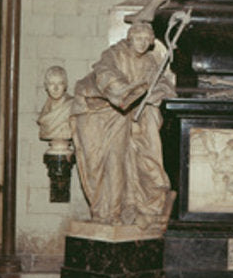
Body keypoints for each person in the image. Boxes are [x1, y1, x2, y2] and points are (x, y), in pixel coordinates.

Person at [70, 23, 175, 229]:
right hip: (98, 113)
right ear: (130, 38)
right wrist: (125, 90)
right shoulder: (114, 54)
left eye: (147, 39)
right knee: (96, 163)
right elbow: (105, 73)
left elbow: (163, 85)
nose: (143, 43)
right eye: (138, 38)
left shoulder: (149, 62)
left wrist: (155, 93)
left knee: (119, 162)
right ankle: (104, 210)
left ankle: (116, 212)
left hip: (124, 118)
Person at [37, 65, 73, 151]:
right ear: (46, 86)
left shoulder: (72, 106)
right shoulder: (44, 112)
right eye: (51, 84)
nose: (55, 88)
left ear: (65, 86)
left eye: (59, 83)